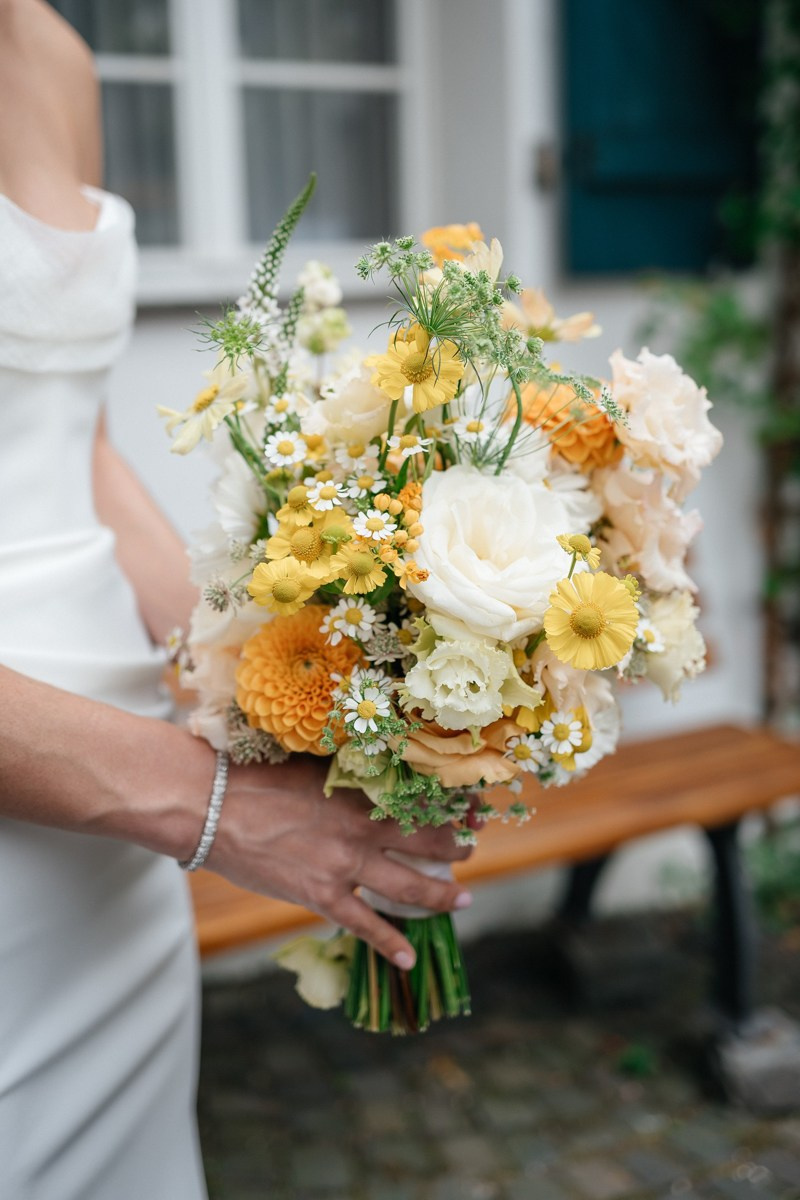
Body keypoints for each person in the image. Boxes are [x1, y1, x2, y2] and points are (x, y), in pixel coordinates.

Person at [0, 3, 473, 1197]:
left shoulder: (52, 55)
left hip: (120, 847)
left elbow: (78, 452)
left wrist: (275, 672)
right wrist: (212, 809)